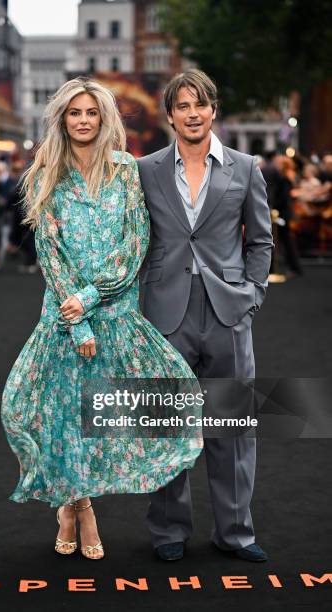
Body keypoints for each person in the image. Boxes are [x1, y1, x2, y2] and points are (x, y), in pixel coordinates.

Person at [1, 77, 203, 561]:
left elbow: (135, 244)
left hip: (115, 312)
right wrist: (77, 319)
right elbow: (51, 255)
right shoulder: (45, 172)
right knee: (55, 412)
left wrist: (92, 298)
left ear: (104, 117)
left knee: (122, 412)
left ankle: (77, 503)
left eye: (92, 112)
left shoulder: (125, 170)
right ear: (63, 119)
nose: (84, 120)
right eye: (75, 113)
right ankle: (78, 507)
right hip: (65, 318)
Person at [137, 69, 274, 562]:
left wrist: (251, 295)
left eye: (201, 104)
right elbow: (137, 241)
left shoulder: (246, 167)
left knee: (231, 427)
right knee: (166, 426)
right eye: (183, 106)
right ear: (170, 115)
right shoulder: (145, 170)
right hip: (164, 313)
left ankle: (235, 533)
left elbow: (260, 241)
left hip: (226, 312)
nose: (193, 114)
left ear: (213, 109)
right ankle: (169, 531)